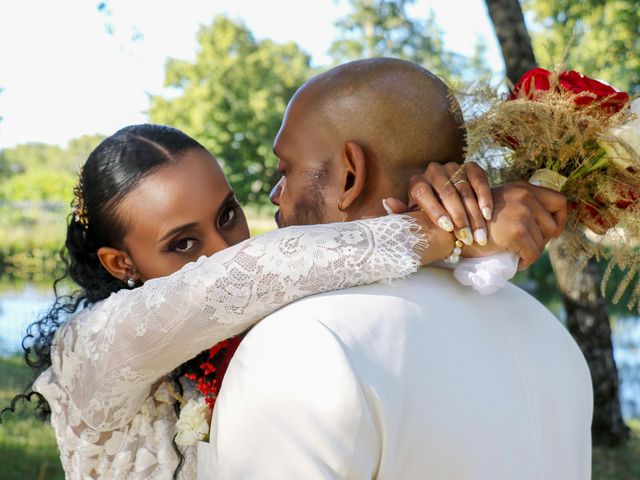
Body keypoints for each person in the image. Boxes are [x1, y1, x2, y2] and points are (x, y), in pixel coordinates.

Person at [1, 122, 552, 479]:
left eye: (228, 215)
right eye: (184, 244)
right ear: (120, 264)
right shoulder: (94, 347)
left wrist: (445, 198)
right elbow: (247, 272)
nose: (223, 250)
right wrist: (448, 229)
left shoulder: (275, 321)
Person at [205, 58, 593, 479]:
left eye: (287, 169)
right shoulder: (547, 330)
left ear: (351, 176)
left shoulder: (305, 339)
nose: (276, 193)